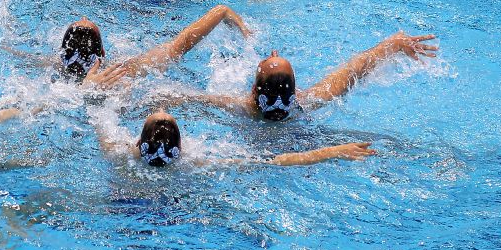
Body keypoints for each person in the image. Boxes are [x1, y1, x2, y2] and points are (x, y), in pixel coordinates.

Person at [158, 32, 438, 121]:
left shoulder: (236, 107)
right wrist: (392, 44)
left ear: (254, 91)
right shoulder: (308, 102)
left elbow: (177, 96)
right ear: (295, 92)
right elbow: (354, 70)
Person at [35, 5, 251, 86]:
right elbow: (179, 46)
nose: (83, 15)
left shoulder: (49, 69)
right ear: (102, 53)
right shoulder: (123, 71)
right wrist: (221, 11)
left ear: (62, 52)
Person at [94, 110, 376, 168]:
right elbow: (274, 161)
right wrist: (333, 151)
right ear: (180, 148)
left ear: (138, 142)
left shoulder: (118, 154)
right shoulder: (197, 163)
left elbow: (100, 117)